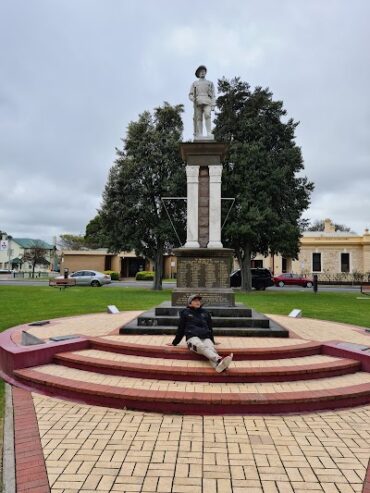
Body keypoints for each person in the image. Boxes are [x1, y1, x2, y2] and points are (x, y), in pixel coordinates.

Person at [167, 294, 233, 373]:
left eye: (198, 300)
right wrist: (175, 343)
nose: (198, 302)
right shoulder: (185, 313)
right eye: (195, 301)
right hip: (192, 337)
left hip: (205, 336)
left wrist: (212, 340)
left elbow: (210, 328)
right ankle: (219, 359)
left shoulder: (205, 313)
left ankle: (218, 366)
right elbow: (181, 328)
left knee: (211, 348)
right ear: (190, 303)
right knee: (201, 346)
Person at [189, 65, 216, 139]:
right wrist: (192, 99)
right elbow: (191, 94)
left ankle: (209, 133)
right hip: (198, 101)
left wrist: (213, 104)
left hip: (207, 101)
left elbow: (213, 95)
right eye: (200, 72)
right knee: (199, 118)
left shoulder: (210, 83)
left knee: (208, 115)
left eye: (203, 71)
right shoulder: (195, 83)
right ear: (198, 74)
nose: (202, 73)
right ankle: (200, 133)